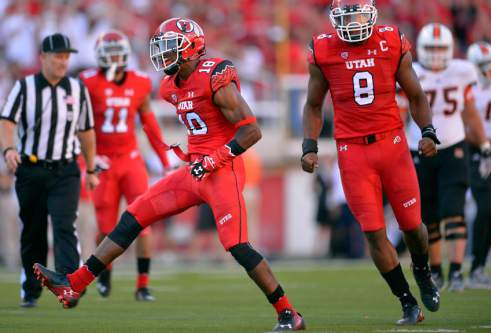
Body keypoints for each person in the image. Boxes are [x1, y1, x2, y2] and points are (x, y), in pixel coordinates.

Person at [34, 18, 305, 331]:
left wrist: (213, 159)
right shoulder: (168, 87)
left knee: (237, 244)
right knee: (133, 216)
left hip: (222, 169)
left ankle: (288, 313)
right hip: (195, 171)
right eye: (160, 46)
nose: (162, 54)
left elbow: (251, 131)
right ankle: (75, 284)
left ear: (190, 48)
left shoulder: (214, 75)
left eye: (169, 46)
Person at [301, 0, 440, 325]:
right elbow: (312, 104)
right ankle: (406, 301)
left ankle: (421, 270)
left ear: (372, 14)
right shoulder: (323, 49)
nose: (353, 23)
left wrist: (429, 132)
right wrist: (308, 146)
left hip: (392, 145)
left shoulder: (390, 40)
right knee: (374, 234)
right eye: (346, 16)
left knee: (413, 228)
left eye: (359, 15)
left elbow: (416, 94)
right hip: (353, 152)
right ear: (335, 18)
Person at [0, 33, 98, 308]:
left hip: (65, 169)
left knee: (65, 225)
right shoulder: (24, 87)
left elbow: (87, 131)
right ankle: (31, 288)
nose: (63, 62)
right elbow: (6, 122)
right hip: (31, 169)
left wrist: (91, 168)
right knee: (33, 231)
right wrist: (8, 150)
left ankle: (70, 284)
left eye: (67, 57)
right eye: (58, 56)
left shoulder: (77, 90)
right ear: (43, 57)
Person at [80, 30, 171, 301]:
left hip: (130, 160)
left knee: (144, 222)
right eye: (110, 55)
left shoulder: (140, 82)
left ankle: (143, 284)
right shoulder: (88, 82)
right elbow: (80, 126)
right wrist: (87, 159)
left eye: (119, 54)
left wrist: (164, 158)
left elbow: (149, 123)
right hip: (104, 162)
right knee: (106, 227)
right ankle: (104, 274)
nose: (116, 60)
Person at [407, 24, 491, 292]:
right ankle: (437, 272)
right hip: (418, 146)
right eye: (430, 48)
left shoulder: (461, 71)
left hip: (454, 145)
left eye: (439, 48)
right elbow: (398, 113)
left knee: (453, 210)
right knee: (429, 215)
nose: (434, 54)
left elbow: (469, 111)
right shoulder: (413, 71)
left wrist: (484, 144)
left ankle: (456, 271)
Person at [465, 41, 491, 289]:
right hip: (478, 150)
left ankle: (480, 267)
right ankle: (474, 267)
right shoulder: (468, 88)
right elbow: (462, 127)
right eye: (483, 67)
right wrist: (485, 143)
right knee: (486, 206)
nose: (489, 71)